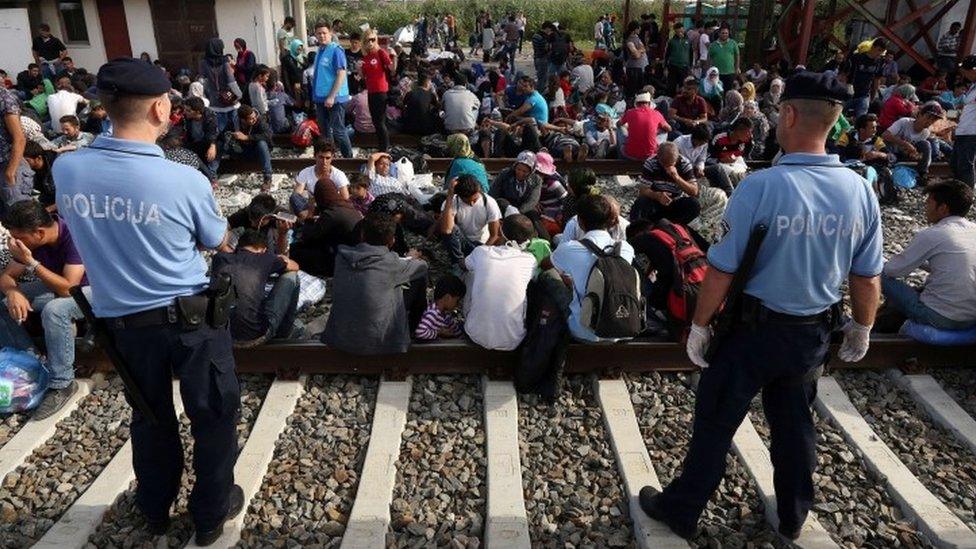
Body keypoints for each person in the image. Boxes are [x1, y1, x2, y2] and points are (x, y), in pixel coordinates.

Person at [640, 71, 882, 541]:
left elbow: (722, 270)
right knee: (795, 426)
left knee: (715, 421)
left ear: (788, 114)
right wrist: (863, 326)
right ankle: (793, 514)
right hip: (812, 332)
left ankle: (682, 509)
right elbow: (866, 275)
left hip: (752, 333)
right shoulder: (859, 191)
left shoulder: (760, 187)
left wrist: (700, 326)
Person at [52, 58, 243, 545]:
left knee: (150, 416)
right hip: (192, 321)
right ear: (162, 108)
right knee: (214, 416)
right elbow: (216, 237)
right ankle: (208, 515)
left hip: (122, 324)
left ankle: (154, 507)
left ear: (104, 107)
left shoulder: (67, 168)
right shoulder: (184, 180)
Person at [0, 201, 88, 419]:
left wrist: (30, 262)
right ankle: (31, 363)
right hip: (58, 287)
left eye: (18, 238)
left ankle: (62, 383)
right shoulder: (34, 242)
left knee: (55, 310)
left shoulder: (74, 236)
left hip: (97, 291)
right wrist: (13, 292)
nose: (14, 243)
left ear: (39, 233)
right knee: (2, 299)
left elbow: (70, 289)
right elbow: (6, 276)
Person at [323, 212, 428, 354]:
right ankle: (413, 330)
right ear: (392, 241)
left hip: (338, 339)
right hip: (382, 343)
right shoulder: (392, 263)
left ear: (362, 236)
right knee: (416, 277)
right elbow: (422, 267)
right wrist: (410, 258)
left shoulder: (342, 257)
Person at [879, 179, 976, 331]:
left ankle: (864, 324)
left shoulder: (932, 234)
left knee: (877, 274)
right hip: (972, 318)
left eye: (929, 202)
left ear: (943, 208)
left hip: (941, 317)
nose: (925, 207)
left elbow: (892, 271)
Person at [551, 193, 636, 343]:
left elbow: (551, 264)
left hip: (584, 332)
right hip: (623, 327)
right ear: (609, 220)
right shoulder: (626, 248)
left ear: (580, 222)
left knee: (549, 277)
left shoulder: (569, 249)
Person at [211, 229, 301, 348]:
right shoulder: (266, 258)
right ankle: (284, 333)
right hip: (255, 335)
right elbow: (295, 266)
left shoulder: (219, 258)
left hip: (222, 335)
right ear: (263, 249)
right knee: (292, 277)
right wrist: (282, 259)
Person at [462, 218, 537, 351]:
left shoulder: (481, 252)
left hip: (475, 334)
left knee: (471, 273)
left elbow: (465, 265)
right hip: (513, 339)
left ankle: (473, 316)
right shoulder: (530, 260)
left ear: (501, 232)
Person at [437, 174, 503, 267]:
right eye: (468, 201)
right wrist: (450, 196)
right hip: (462, 243)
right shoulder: (454, 201)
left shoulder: (489, 202)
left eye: (475, 199)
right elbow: (446, 230)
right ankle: (458, 264)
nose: (472, 203)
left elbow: (494, 235)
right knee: (452, 228)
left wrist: (480, 254)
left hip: (482, 245)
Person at [630, 141, 701, 226]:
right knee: (641, 202)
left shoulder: (684, 164)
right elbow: (643, 190)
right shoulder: (651, 163)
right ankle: (641, 228)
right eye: (664, 165)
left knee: (693, 204)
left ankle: (670, 226)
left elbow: (694, 191)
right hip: (655, 201)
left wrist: (677, 178)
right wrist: (658, 196)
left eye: (671, 164)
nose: (667, 168)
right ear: (658, 158)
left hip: (674, 202)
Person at [311, 21, 353, 158]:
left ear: (330, 33)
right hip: (320, 97)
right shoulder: (320, 50)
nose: (322, 36)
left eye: (324, 33)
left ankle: (349, 158)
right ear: (315, 35)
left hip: (334, 97)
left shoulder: (336, 50)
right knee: (324, 131)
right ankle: (329, 157)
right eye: (319, 33)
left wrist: (331, 96)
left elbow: (341, 73)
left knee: (338, 130)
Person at [882, 102, 946, 184]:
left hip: (903, 155)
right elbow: (885, 135)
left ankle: (922, 174)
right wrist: (905, 144)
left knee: (926, 144)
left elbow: (914, 150)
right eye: (928, 117)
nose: (930, 121)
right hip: (890, 152)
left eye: (933, 119)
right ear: (919, 115)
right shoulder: (904, 122)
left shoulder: (925, 133)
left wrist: (915, 154)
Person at [291, 139, 350, 213]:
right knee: (294, 197)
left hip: (331, 209)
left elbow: (345, 199)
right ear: (315, 156)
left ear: (332, 157)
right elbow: (297, 194)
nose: (324, 162)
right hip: (311, 208)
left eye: (327, 158)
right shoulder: (305, 172)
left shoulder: (339, 175)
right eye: (321, 157)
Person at [222, 104, 273, 190]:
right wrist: (230, 136)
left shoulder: (259, 120)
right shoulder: (234, 122)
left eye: (254, 116)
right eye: (251, 118)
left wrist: (247, 137)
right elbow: (224, 134)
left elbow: (268, 135)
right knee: (224, 144)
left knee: (262, 143)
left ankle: (268, 177)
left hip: (256, 150)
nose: (254, 119)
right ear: (243, 120)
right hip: (242, 150)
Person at [199, 38, 243, 133]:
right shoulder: (224, 61)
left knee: (218, 132)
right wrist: (239, 95)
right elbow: (231, 81)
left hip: (214, 102)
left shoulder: (203, 63)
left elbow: (203, 82)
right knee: (236, 130)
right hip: (230, 100)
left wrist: (208, 95)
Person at [361, 29, 394, 152]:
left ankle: (385, 148)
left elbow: (392, 68)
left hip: (381, 91)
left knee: (380, 122)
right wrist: (359, 68)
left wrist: (394, 56)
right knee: (375, 122)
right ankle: (382, 146)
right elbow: (363, 76)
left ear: (376, 40)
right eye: (367, 40)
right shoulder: (366, 57)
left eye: (372, 40)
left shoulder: (381, 52)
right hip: (371, 91)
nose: (370, 43)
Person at [619, 91, 671, 161]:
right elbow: (669, 128)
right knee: (664, 131)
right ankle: (658, 149)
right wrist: (656, 129)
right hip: (651, 156)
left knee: (619, 128)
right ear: (649, 104)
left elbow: (618, 124)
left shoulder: (629, 112)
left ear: (636, 104)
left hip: (629, 155)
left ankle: (619, 158)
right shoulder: (656, 113)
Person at [844, 39, 887, 120]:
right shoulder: (858, 57)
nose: (880, 53)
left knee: (861, 121)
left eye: (882, 51)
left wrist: (872, 98)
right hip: (849, 92)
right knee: (838, 116)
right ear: (873, 47)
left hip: (864, 95)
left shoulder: (880, 62)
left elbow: (876, 80)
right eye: (879, 50)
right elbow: (845, 74)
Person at [415, 274, 465, 341]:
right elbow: (420, 333)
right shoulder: (433, 313)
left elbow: (457, 333)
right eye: (457, 301)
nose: (457, 305)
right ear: (448, 298)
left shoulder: (446, 316)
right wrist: (439, 332)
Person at [181, 97, 220, 182]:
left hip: (206, 143)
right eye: (185, 110)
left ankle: (212, 175)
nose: (185, 112)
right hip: (193, 143)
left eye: (189, 111)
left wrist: (212, 146)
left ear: (197, 112)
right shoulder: (185, 118)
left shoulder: (210, 116)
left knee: (215, 149)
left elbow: (212, 132)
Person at [951, 55, 976, 186]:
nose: (964, 73)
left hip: (971, 132)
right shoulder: (973, 86)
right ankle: (958, 192)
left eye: (966, 71)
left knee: (965, 166)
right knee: (955, 163)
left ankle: (966, 195)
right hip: (964, 130)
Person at [1, 86, 26, 193]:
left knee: (16, 207)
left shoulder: (4, 98)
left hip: (7, 163)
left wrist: (11, 171)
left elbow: (19, 138)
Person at [708, 26, 740, 91]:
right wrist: (709, 70)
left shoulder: (733, 43)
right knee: (717, 91)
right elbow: (709, 58)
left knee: (728, 91)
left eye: (726, 33)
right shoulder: (713, 45)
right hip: (716, 73)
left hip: (730, 72)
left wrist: (737, 68)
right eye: (723, 33)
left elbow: (737, 56)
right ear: (719, 33)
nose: (725, 34)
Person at [665, 23, 693, 96]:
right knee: (671, 86)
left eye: (681, 31)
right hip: (673, 66)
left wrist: (690, 66)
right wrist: (665, 67)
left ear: (683, 29)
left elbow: (691, 54)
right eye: (677, 32)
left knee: (683, 85)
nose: (680, 33)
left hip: (684, 67)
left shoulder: (688, 41)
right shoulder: (671, 41)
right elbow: (667, 54)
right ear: (675, 31)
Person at [624, 21, 649, 100]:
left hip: (641, 67)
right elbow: (636, 55)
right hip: (634, 68)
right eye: (638, 28)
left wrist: (640, 50)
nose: (640, 29)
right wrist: (640, 51)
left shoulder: (637, 37)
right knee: (633, 90)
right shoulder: (629, 41)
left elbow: (644, 48)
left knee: (640, 89)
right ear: (635, 29)